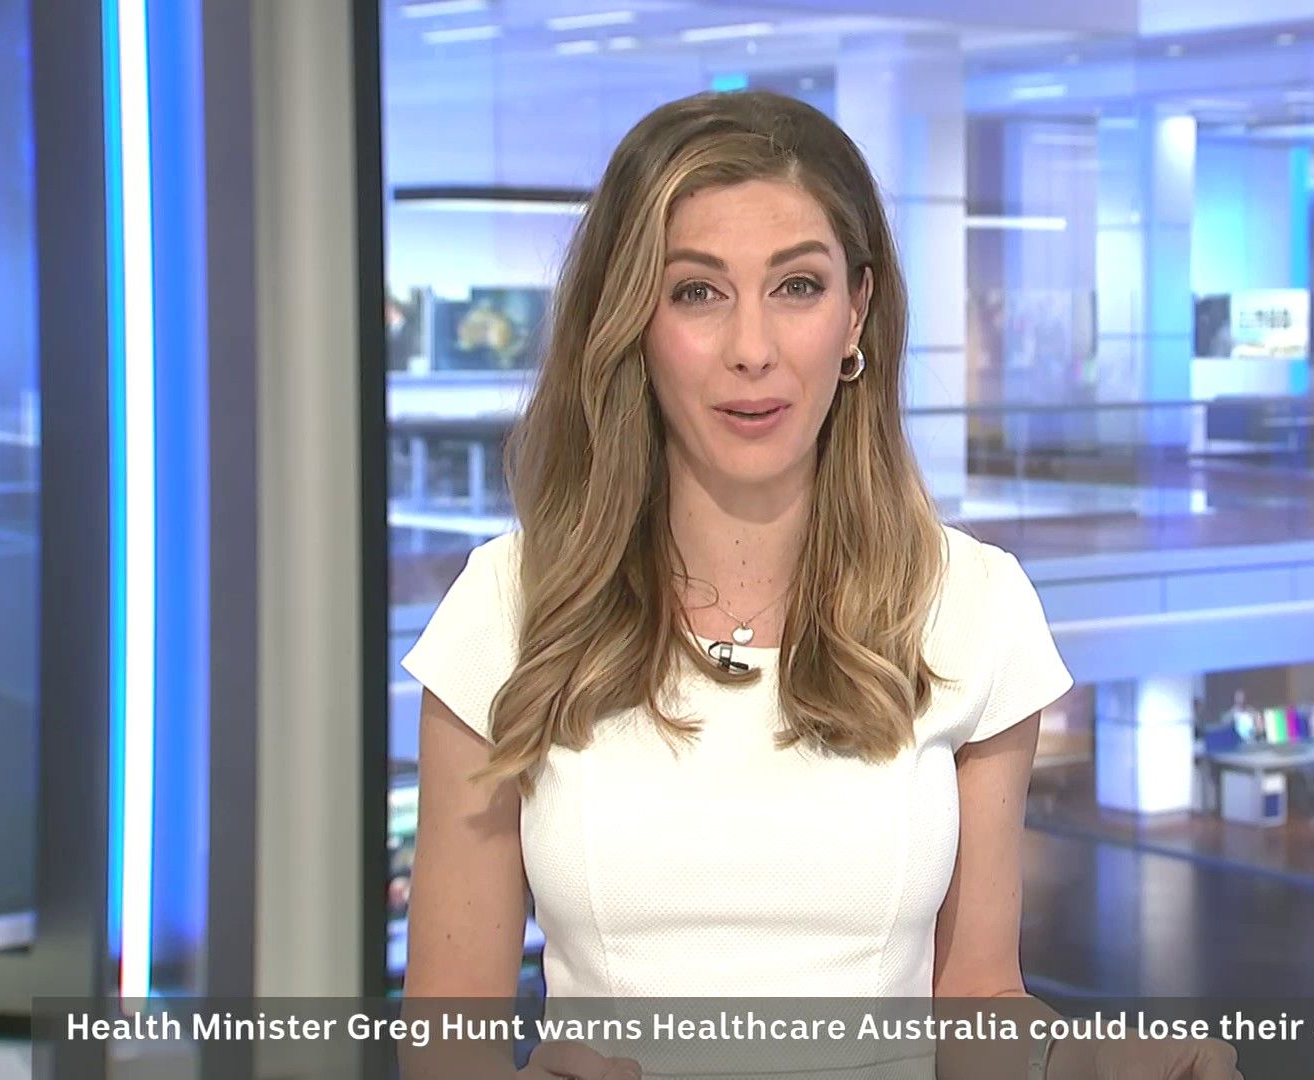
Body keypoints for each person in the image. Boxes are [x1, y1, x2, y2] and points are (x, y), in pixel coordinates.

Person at [398, 91, 1237, 1080]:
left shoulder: (975, 606)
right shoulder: (508, 611)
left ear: (857, 313)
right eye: (696, 292)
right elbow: (444, 1045)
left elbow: (975, 1002)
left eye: (797, 286)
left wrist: (1083, 1066)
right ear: (631, 321)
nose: (752, 348)